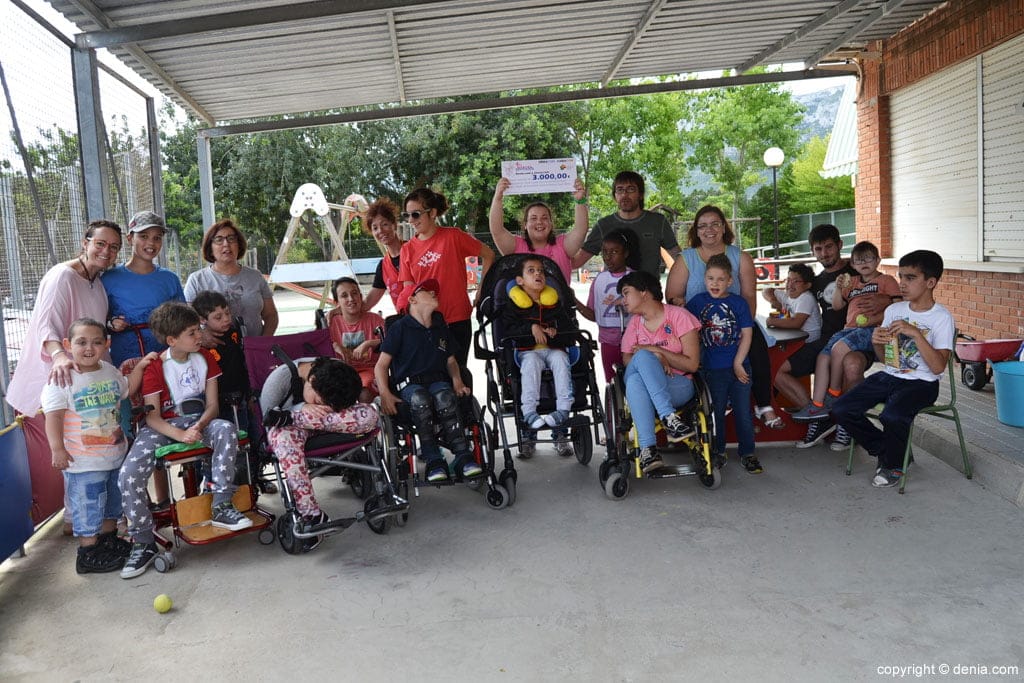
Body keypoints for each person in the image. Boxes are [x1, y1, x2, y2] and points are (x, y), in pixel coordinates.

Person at [118, 301, 252, 580]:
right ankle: (143, 542)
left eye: (198, 330)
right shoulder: (156, 366)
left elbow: (213, 405)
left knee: (226, 429)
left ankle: (221, 506)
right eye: (192, 332)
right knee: (128, 474)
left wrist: (200, 426)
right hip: (161, 427)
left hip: (199, 420)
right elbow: (152, 418)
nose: (200, 336)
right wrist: (181, 435)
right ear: (172, 339)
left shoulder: (206, 358)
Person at [6, 219, 122, 536]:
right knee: (68, 458)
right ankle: (80, 528)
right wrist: (59, 355)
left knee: (88, 453)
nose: (106, 251)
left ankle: (89, 524)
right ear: (85, 243)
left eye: (113, 247)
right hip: (60, 383)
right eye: (100, 243)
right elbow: (47, 325)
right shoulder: (62, 276)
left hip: (89, 385)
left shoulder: (97, 283)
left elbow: (89, 327)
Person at [832, 250, 954, 488]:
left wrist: (916, 333)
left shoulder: (942, 318)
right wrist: (878, 342)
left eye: (910, 278)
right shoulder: (894, 311)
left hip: (923, 383)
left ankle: (894, 465)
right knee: (841, 408)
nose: (902, 284)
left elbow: (939, 367)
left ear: (930, 282)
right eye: (901, 277)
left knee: (892, 415)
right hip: (891, 375)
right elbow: (887, 361)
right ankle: (887, 450)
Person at [41, 318, 154, 574]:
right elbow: (53, 417)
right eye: (81, 342)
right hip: (83, 463)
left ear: (107, 344)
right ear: (68, 345)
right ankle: (88, 553)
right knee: (88, 507)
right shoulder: (62, 378)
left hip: (114, 456)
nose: (89, 348)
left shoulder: (110, 371)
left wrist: (142, 366)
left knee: (112, 504)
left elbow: (127, 389)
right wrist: (57, 448)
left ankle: (108, 541)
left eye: (96, 342)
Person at [665, 206, 781, 430]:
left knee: (755, 343)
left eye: (715, 224)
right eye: (703, 225)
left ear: (723, 227)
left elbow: (748, 297)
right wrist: (682, 309)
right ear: (696, 231)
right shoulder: (686, 259)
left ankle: (762, 405)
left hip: (735, 319)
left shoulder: (740, 257)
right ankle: (695, 412)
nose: (709, 229)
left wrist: (740, 326)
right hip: (697, 323)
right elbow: (673, 295)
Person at [260, 357, 378, 550]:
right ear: (311, 380)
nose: (320, 404)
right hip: (289, 430)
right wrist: (303, 407)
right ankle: (311, 515)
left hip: (325, 422)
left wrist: (301, 415)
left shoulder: (338, 371)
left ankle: (293, 417)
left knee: (370, 415)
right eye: (318, 400)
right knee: (282, 435)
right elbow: (269, 419)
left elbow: (348, 407)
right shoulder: (279, 379)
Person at [375, 279, 482, 483]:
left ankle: (462, 456)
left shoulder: (440, 328)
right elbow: (381, 366)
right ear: (412, 300)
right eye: (426, 291)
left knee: (445, 396)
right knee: (420, 398)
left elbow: (451, 361)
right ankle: (433, 459)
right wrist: (384, 393)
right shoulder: (399, 328)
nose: (434, 293)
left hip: (438, 381)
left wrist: (457, 380)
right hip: (409, 385)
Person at [792, 240, 901, 425]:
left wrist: (874, 319)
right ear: (852, 264)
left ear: (878, 260)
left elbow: (899, 306)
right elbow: (837, 305)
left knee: (838, 349)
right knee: (823, 357)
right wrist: (839, 287)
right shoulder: (854, 282)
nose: (864, 263)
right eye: (859, 260)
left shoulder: (886, 280)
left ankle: (833, 393)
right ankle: (817, 405)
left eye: (869, 259)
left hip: (872, 329)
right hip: (849, 330)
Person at [395, 187, 495, 368]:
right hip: (426, 323)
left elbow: (488, 254)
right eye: (407, 215)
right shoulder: (407, 249)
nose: (410, 221)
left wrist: (481, 290)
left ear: (432, 213)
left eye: (415, 214)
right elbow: (409, 290)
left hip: (457, 318)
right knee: (434, 378)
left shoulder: (453, 236)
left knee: (459, 376)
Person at [617, 271, 701, 474]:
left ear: (644, 292)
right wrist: (652, 358)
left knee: (638, 379)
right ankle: (669, 419)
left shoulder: (679, 317)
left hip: (677, 385)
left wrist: (659, 351)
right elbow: (628, 360)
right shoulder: (635, 325)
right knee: (641, 365)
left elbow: (692, 365)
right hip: (651, 390)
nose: (622, 300)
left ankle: (648, 450)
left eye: (626, 293)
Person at [685, 254, 758, 474]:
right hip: (712, 369)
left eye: (720, 279)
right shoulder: (697, 302)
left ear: (730, 281)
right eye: (710, 278)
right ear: (704, 279)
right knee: (715, 413)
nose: (715, 284)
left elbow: (747, 335)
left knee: (743, 412)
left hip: (739, 367)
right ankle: (718, 452)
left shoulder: (738, 303)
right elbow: (683, 326)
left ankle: (748, 453)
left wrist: (738, 363)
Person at [500, 257, 575, 458]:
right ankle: (529, 414)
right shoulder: (512, 305)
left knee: (561, 359)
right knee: (531, 362)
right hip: (527, 352)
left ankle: (563, 412)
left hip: (553, 349)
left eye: (541, 271)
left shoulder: (555, 304)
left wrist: (555, 331)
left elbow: (570, 329)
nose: (538, 274)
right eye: (531, 271)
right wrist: (530, 327)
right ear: (520, 280)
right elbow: (506, 330)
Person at [102, 211, 185, 367]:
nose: (151, 243)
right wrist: (111, 323)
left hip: (163, 362)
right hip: (124, 364)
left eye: (157, 238)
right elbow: (98, 319)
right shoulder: (109, 279)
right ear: (130, 239)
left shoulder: (169, 279)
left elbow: (183, 321)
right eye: (144, 236)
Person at [571, 171, 680, 278]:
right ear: (614, 196)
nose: (624, 194)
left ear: (641, 194)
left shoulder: (658, 222)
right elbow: (576, 262)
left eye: (631, 189)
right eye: (620, 190)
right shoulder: (603, 225)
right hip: (612, 293)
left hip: (649, 292)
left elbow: (678, 257)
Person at [184, 218, 278, 338]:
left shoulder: (255, 276)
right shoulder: (196, 280)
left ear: (239, 245)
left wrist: (263, 342)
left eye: (231, 239)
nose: (226, 244)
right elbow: (188, 321)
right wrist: (202, 335)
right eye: (219, 240)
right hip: (213, 353)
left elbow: (271, 315)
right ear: (210, 248)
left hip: (254, 351)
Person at [489, 177, 589, 283]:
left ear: (551, 224)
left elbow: (581, 230)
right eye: (533, 218)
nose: (539, 222)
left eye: (544, 218)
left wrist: (580, 200)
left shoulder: (562, 246)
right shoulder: (517, 246)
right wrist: (497, 198)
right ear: (525, 225)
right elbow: (497, 231)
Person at [576, 230, 634, 382]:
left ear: (625, 253)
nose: (608, 257)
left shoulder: (635, 278)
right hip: (608, 341)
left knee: (635, 378)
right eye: (605, 252)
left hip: (635, 340)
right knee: (612, 380)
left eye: (615, 252)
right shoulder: (599, 281)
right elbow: (595, 315)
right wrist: (575, 301)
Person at [191, 290, 251, 429]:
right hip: (213, 401)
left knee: (243, 431)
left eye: (227, 313)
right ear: (202, 320)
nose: (226, 319)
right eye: (218, 317)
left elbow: (244, 365)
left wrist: (249, 394)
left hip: (239, 396)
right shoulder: (200, 344)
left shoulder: (236, 334)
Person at [329, 276, 385, 402]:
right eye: (344, 295)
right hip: (340, 372)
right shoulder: (331, 323)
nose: (351, 299)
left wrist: (369, 343)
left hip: (369, 371)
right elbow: (316, 347)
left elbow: (394, 341)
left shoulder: (375, 320)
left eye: (354, 293)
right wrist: (334, 345)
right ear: (336, 302)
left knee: (363, 393)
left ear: (360, 296)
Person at [362, 198, 405, 311]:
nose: (380, 231)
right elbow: (368, 302)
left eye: (384, 224)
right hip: (407, 324)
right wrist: (340, 310)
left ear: (394, 225)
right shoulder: (383, 266)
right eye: (375, 228)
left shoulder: (415, 250)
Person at [762, 263, 822, 344]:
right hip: (794, 337)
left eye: (796, 281)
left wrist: (771, 321)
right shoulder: (787, 296)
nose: (790, 284)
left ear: (807, 285)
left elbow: (796, 323)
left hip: (809, 342)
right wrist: (773, 300)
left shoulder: (806, 298)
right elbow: (766, 290)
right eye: (789, 280)